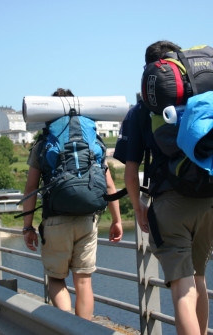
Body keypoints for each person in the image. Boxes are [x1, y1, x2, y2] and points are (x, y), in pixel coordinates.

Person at [116, 41, 213, 334]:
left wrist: (138, 208)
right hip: (208, 199)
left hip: (169, 204)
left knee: (182, 288)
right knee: (199, 280)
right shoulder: (202, 100)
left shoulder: (140, 111)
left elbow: (130, 174)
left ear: (148, 70)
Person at [22, 88, 122, 320]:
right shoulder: (92, 140)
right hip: (88, 218)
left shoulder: (44, 142)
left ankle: (66, 326)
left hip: (56, 219)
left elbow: (30, 189)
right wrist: (116, 220)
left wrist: (28, 226)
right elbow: (109, 187)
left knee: (56, 278)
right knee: (84, 281)